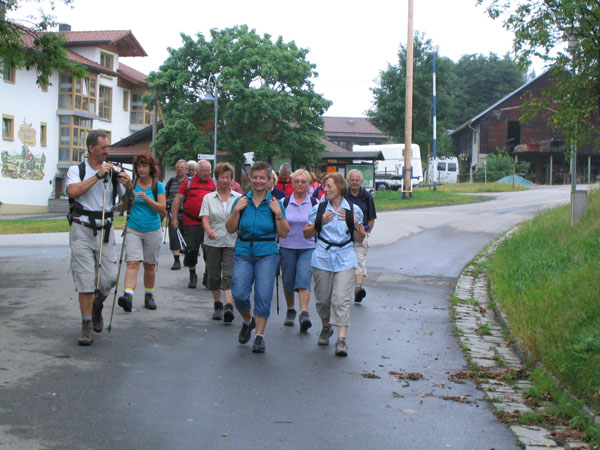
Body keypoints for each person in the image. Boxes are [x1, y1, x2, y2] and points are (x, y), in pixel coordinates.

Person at [66, 130, 133, 346]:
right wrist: (97, 176)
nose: (107, 151)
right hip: (82, 228)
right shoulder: (77, 170)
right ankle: (86, 325)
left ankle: (97, 305)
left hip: (105, 230)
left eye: (108, 147)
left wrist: (128, 186)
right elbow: (73, 192)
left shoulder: (113, 172)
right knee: (85, 279)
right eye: (103, 147)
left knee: (109, 279)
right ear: (91, 148)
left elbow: (125, 202)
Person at [225, 161, 290, 353]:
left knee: (263, 295)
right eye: (255, 177)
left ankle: (259, 336)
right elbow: (229, 229)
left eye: (262, 177)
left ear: (270, 180)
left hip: (267, 253)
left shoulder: (274, 204)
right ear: (250, 179)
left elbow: (284, 233)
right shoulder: (241, 201)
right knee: (239, 294)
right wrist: (236, 210)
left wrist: (278, 215)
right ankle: (248, 321)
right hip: (244, 251)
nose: (258, 181)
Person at [303, 172, 365, 357]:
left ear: (339, 187)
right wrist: (318, 223)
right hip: (322, 256)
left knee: (341, 299)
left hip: (345, 257)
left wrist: (354, 224)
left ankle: (342, 340)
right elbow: (306, 234)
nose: (325, 189)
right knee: (322, 300)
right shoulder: (319, 208)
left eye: (329, 186)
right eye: (324, 186)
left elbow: (360, 239)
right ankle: (326, 327)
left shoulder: (353, 210)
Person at [117, 153, 167, 312]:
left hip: (152, 228)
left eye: (144, 166)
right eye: (139, 166)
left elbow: (162, 208)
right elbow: (124, 207)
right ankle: (128, 296)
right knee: (133, 262)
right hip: (134, 228)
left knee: (150, 265)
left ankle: (149, 295)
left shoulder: (157, 186)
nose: (141, 169)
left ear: (151, 168)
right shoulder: (132, 183)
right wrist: (127, 193)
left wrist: (147, 199)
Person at [200, 162, 241, 322]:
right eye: (222, 177)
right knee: (214, 274)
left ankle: (229, 305)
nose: (225, 180)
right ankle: (217, 303)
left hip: (232, 241)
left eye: (228, 177)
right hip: (213, 241)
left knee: (230, 274)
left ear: (232, 179)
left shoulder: (238, 198)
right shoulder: (208, 198)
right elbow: (205, 218)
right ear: (216, 179)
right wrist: (209, 230)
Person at [279, 169, 316, 331]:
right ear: (292, 183)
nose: (300, 184)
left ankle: (304, 313)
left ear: (309, 184)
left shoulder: (316, 203)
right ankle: (290, 309)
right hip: (287, 246)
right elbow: (278, 223)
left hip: (308, 247)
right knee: (288, 280)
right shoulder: (284, 202)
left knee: (303, 278)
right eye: (297, 181)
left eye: (303, 181)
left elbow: (320, 224)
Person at [171, 160, 216, 288]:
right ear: (197, 171)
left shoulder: (213, 184)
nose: (206, 173)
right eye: (204, 171)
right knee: (191, 250)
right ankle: (192, 274)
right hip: (191, 222)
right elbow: (177, 200)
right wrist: (174, 218)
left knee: (209, 251)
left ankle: (208, 275)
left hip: (208, 223)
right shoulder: (188, 182)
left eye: (208, 171)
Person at [345, 169, 377, 303]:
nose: (354, 182)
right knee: (345, 263)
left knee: (359, 260)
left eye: (357, 180)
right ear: (348, 181)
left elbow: (371, 217)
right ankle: (343, 290)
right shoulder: (343, 195)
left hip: (361, 232)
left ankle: (358, 288)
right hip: (344, 234)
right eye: (352, 180)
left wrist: (366, 233)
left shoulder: (366, 196)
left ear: (361, 181)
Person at [165, 159, 187, 270]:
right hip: (173, 213)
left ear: (186, 169)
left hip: (186, 213)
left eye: (182, 167)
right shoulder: (171, 182)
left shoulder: (189, 182)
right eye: (178, 167)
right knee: (174, 236)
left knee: (187, 235)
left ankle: (188, 256)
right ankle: (176, 260)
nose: (180, 169)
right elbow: (165, 195)